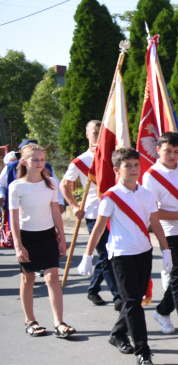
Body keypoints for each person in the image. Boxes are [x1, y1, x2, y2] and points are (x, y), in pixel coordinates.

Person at [78, 148, 171, 365]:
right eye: (127, 165)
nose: (133, 169)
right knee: (132, 302)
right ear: (116, 170)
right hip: (121, 255)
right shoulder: (110, 197)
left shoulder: (146, 194)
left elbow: (156, 224)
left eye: (135, 165)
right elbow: (99, 229)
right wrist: (87, 256)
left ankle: (118, 333)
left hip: (144, 252)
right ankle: (143, 352)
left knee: (134, 301)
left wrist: (166, 251)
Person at [143, 132, 178, 348]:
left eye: (177, 151)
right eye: (168, 151)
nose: (173, 155)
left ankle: (162, 310)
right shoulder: (151, 176)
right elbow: (152, 213)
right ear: (158, 150)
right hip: (171, 230)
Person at [9, 144, 72, 338]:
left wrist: (62, 239)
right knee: (28, 278)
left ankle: (59, 322)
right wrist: (18, 245)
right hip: (27, 236)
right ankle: (30, 320)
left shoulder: (51, 183)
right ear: (24, 162)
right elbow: (14, 218)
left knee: (52, 277)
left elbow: (55, 212)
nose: (39, 163)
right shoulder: (16, 186)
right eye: (35, 159)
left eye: (42, 159)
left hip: (47, 235)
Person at [62, 120, 121, 309]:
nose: (97, 136)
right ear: (87, 134)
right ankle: (118, 296)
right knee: (105, 253)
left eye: (100, 133)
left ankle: (93, 289)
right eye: (94, 133)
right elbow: (64, 184)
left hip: (114, 211)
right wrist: (73, 206)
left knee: (109, 253)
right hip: (94, 213)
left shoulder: (113, 157)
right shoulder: (80, 161)